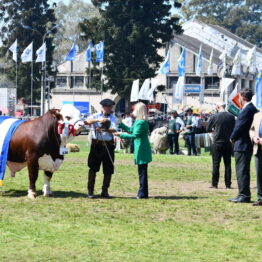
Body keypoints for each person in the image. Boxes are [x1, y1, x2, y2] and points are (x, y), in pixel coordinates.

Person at [115, 102, 152, 199]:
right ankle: (143, 192)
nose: (133, 111)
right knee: (142, 171)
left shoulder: (141, 122)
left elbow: (135, 136)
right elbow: (131, 130)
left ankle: (142, 193)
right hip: (140, 147)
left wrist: (120, 135)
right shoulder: (138, 121)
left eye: (135, 109)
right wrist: (121, 125)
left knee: (142, 172)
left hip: (142, 148)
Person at [229, 88, 258, 203]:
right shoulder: (250, 108)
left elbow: (240, 126)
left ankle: (244, 195)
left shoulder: (247, 109)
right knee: (242, 170)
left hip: (243, 144)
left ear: (243, 97)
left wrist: (232, 137)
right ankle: (242, 193)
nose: (239, 99)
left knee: (241, 171)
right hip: (245, 144)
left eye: (239, 97)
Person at [85, 98, 117, 199]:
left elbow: (114, 129)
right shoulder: (95, 116)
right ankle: (90, 191)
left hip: (108, 145)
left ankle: (105, 191)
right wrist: (98, 120)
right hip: (96, 145)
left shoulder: (113, 118)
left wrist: (104, 129)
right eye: (107, 107)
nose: (109, 109)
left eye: (110, 107)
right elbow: (86, 122)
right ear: (103, 107)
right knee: (93, 168)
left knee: (108, 169)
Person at [206, 102, 235, 189]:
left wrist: (214, 130)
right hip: (228, 142)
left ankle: (215, 184)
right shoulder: (231, 116)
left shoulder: (214, 116)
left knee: (216, 164)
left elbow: (207, 129)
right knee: (228, 164)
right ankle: (228, 184)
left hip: (217, 142)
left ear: (218, 106)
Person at [250, 111, 262, 206]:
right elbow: (251, 129)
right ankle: (260, 198)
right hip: (258, 149)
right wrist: (254, 137)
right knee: (259, 174)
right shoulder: (257, 115)